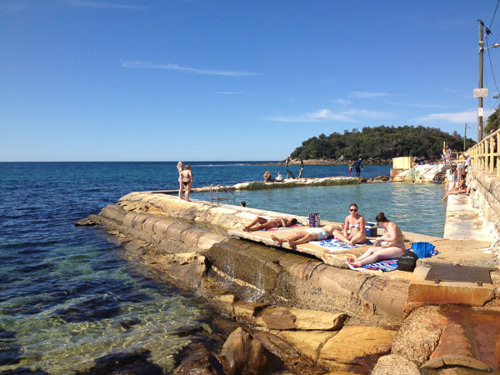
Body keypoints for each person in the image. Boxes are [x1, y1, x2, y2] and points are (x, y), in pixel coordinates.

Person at [271, 225, 337, 247]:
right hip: (317, 229)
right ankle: (280, 240)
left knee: (309, 236)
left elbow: (340, 234)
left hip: (324, 232)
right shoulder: (344, 223)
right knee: (298, 234)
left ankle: (294, 243)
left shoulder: (341, 228)